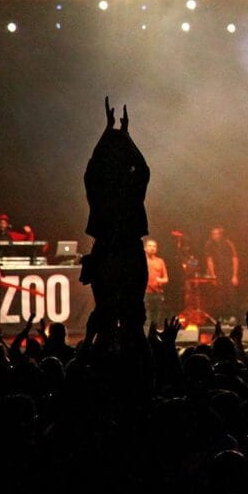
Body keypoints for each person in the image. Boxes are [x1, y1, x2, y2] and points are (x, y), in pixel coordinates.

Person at [80, 97, 151, 353]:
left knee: (105, 314)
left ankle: (100, 361)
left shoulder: (99, 191)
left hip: (105, 251)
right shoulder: (132, 191)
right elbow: (143, 168)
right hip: (130, 251)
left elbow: (91, 169)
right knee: (133, 316)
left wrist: (107, 132)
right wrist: (126, 135)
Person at [202, 225, 240, 319]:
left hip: (228, 272)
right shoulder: (209, 245)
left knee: (231, 294)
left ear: (221, 234)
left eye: (217, 234)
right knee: (219, 295)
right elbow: (209, 260)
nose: (216, 236)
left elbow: (235, 259)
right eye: (213, 234)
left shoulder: (228, 243)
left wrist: (235, 275)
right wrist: (213, 275)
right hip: (218, 273)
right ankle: (220, 316)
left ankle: (232, 315)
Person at [143, 236, 170, 329]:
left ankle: (156, 339)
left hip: (157, 293)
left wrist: (160, 280)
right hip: (145, 293)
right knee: (146, 317)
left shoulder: (160, 261)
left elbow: (166, 278)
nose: (152, 248)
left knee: (157, 318)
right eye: (150, 246)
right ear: (145, 248)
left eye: (154, 246)